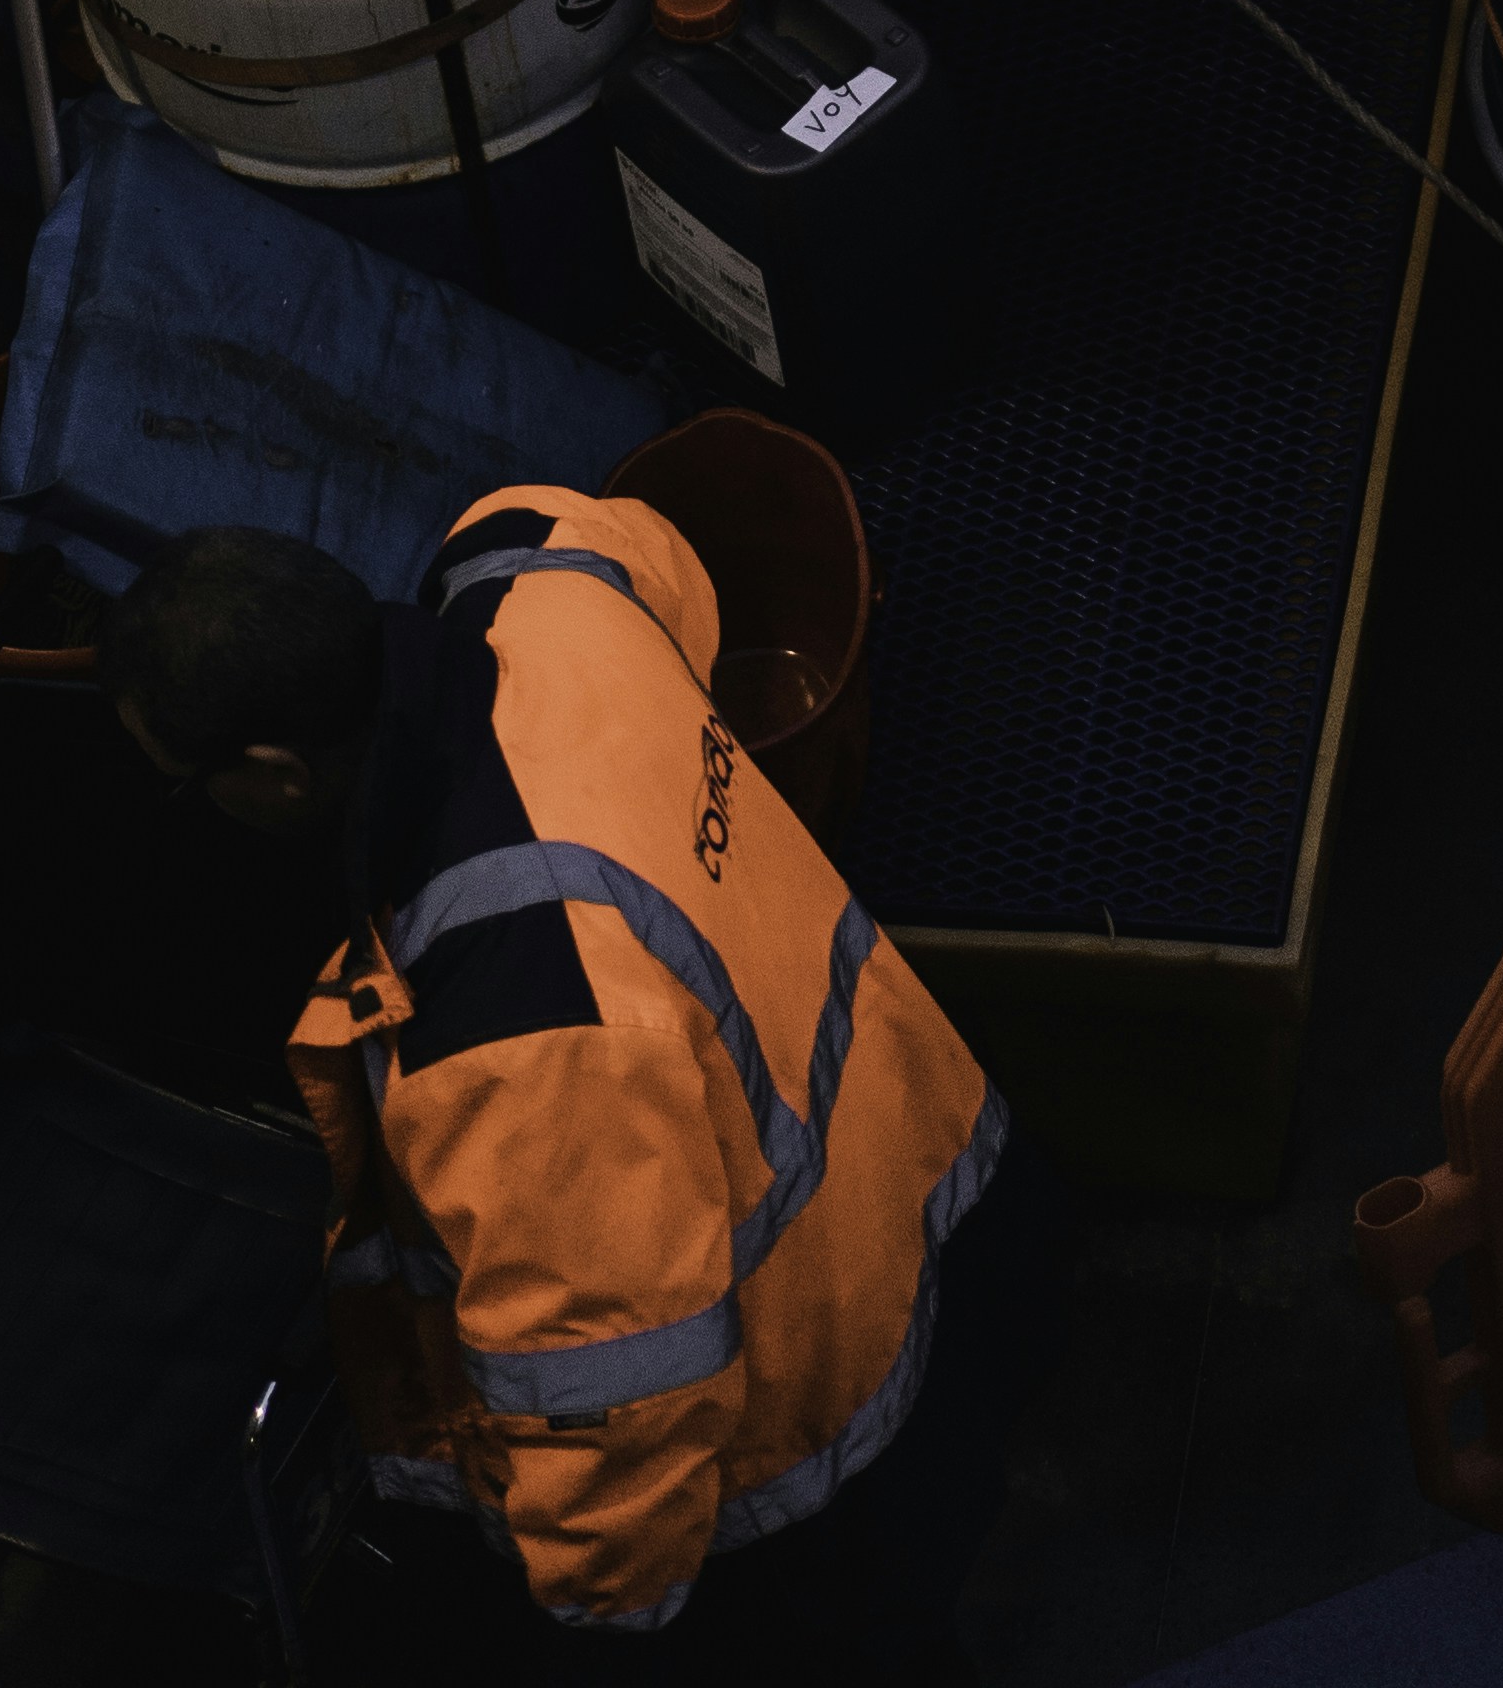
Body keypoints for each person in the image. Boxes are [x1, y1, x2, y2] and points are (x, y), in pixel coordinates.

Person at [99, 496, 1061, 1667]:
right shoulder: (546, 577)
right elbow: (645, 547)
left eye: (183, 783)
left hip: (824, 1382)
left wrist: (597, 1618)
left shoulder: (517, 1025)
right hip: (928, 1138)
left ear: (273, 774)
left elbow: (617, 1394)